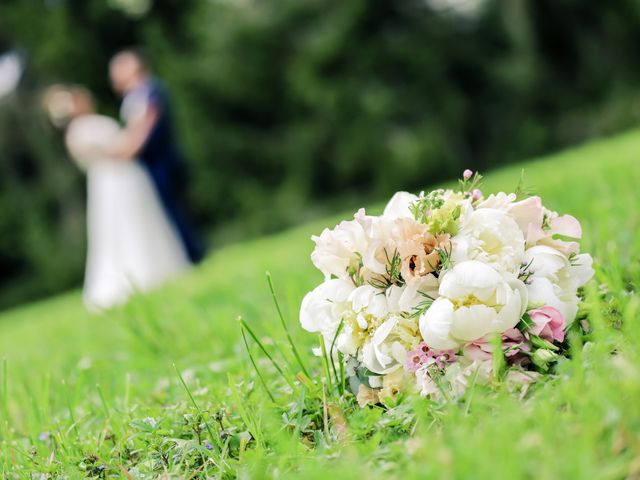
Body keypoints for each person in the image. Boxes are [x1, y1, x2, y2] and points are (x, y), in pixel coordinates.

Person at [43, 85, 190, 310]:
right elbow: (121, 151)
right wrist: (143, 125)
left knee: (139, 222)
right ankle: (139, 274)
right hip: (114, 182)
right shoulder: (81, 131)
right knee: (124, 227)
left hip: (123, 180)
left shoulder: (86, 127)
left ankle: (158, 267)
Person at [108, 49, 204, 264]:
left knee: (175, 208)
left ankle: (193, 253)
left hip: (161, 161)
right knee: (167, 210)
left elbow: (146, 131)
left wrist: (127, 151)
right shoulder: (135, 95)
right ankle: (187, 253)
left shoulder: (150, 91)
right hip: (146, 165)